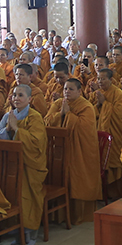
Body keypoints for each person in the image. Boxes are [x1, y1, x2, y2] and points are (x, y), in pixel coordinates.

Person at [0, 84, 47, 245]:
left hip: (29, 166)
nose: (16, 98)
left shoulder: (35, 117)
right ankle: (15, 229)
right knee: (11, 194)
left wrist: (17, 129)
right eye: (14, 95)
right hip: (11, 165)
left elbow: (36, 143)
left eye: (20, 95)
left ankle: (30, 233)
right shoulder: (8, 115)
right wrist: (7, 129)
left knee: (27, 197)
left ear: (29, 99)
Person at [45, 78, 100, 224]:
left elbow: (84, 129)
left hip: (80, 151)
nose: (67, 92)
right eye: (65, 89)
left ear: (79, 91)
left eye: (71, 89)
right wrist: (61, 114)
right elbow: (46, 122)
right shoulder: (58, 104)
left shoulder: (86, 107)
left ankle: (78, 215)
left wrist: (68, 115)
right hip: (60, 151)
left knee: (78, 178)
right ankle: (59, 215)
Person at [92, 67, 122, 201]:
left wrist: (105, 103)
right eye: (98, 79)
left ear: (111, 79)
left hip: (116, 132)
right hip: (102, 132)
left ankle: (117, 193)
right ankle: (103, 193)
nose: (100, 81)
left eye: (103, 79)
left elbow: (119, 114)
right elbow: (93, 113)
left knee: (115, 162)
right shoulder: (97, 93)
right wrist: (98, 104)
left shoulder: (118, 93)